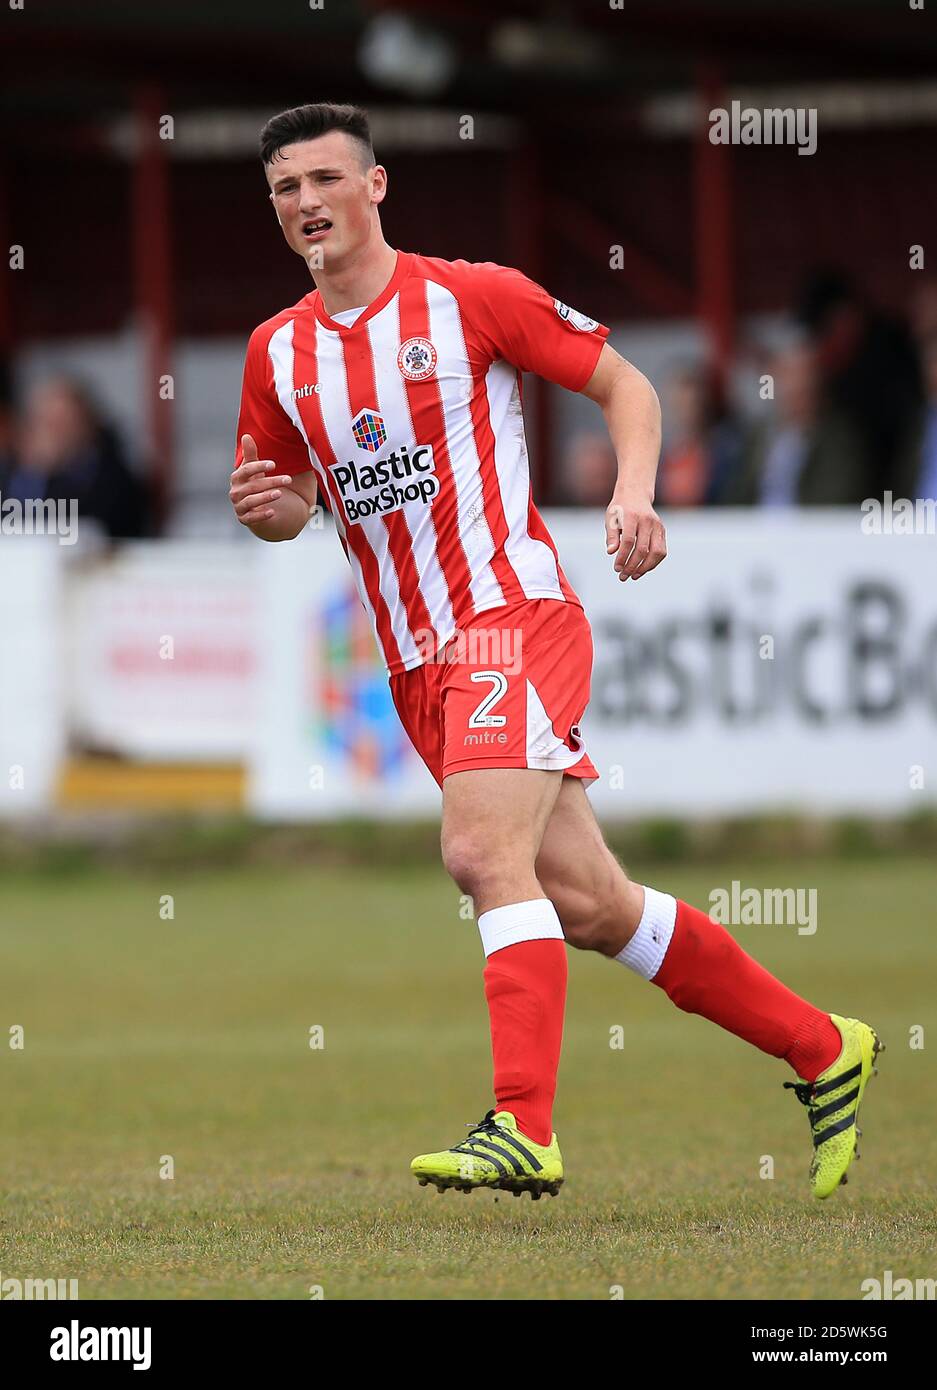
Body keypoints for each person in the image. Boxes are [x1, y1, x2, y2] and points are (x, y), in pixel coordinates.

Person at [229, 102, 882, 1202]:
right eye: (286, 188)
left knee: (482, 857)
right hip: (413, 663)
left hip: (508, 617)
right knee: (588, 903)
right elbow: (292, 500)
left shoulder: (470, 295)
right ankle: (825, 1046)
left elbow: (624, 385)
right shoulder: (275, 353)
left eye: (325, 179)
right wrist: (268, 511)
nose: (306, 204)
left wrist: (633, 497)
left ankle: (522, 1125)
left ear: (375, 186)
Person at [3, 377, 149, 539]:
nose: (53, 432)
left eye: (62, 422)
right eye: (45, 422)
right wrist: (33, 473)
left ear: (86, 425)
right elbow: (14, 525)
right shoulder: (18, 470)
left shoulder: (111, 478)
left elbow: (87, 529)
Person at [725, 340, 867, 506]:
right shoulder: (760, 434)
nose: (794, 386)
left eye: (803, 376)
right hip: (754, 529)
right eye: (787, 375)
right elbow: (737, 493)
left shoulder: (840, 439)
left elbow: (837, 499)